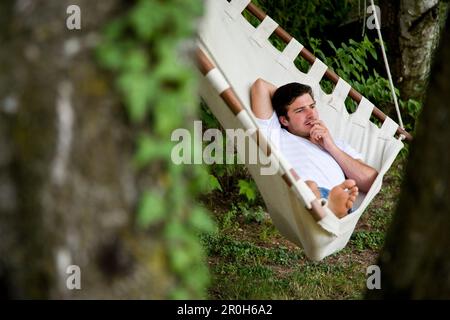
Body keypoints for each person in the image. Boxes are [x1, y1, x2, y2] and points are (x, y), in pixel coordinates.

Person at [250, 78, 378, 218]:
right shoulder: (276, 135)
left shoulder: (337, 144)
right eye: (300, 110)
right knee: (310, 187)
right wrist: (283, 99)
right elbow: (260, 86)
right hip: (302, 197)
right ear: (284, 120)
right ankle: (327, 206)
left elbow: (371, 181)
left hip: (338, 197)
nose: (311, 114)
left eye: (312, 106)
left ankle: (332, 206)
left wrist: (331, 147)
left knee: (316, 190)